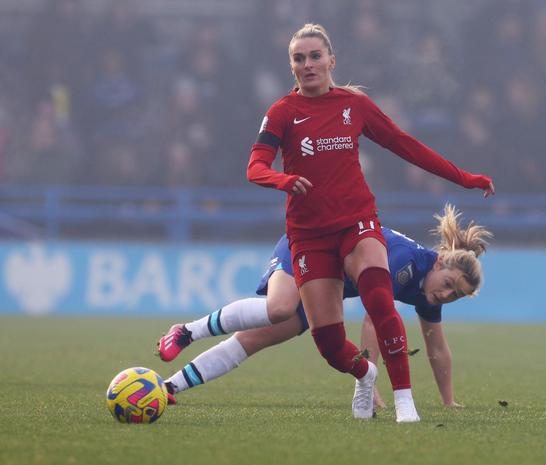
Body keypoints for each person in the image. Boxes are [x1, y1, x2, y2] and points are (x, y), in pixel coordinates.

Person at [243, 23, 493, 422]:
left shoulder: (354, 106)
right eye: (299, 58)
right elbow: (254, 167)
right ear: (292, 65)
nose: (308, 64)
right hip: (309, 234)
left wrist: (464, 178)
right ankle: (365, 374)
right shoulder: (281, 113)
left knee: (379, 296)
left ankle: (405, 402)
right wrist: (284, 180)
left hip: (357, 220)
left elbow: (406, 146)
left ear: (331, 60)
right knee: (328, 342)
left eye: (315, 56)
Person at [159, 205, 492, 413]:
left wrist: (448, 402)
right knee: (279, 308)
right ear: (441, 261)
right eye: (449, 284)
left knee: (256, 339)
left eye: (455, 297)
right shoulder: (406, 260)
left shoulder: (428, 291)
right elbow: (375, 319)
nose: (446, 295)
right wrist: (370, 383)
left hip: (328, 283)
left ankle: (169, 388)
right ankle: (186, 331)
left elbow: (437, 345)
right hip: (311, 245)